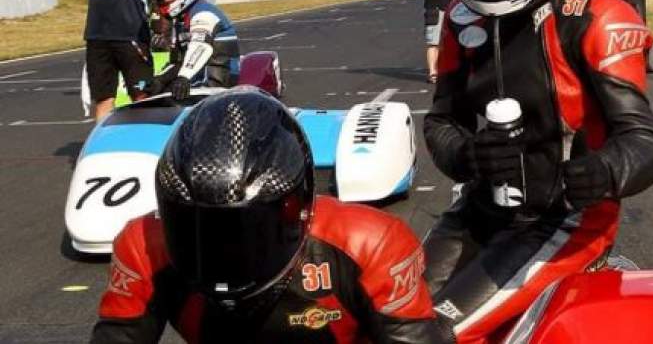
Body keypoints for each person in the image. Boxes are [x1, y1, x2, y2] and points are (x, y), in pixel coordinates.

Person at [423, 0, 653, 342]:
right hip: (479, 208)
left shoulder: (599, 16)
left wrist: (606, 170)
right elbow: (442, 121)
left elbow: (646, 139)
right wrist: (466, 154)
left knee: (429, 334)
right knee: (386, 314)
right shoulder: (458, 17)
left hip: (565, 222)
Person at [90, 88, 447, 343]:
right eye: (198, 228)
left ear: (298, 208)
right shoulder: (141, 244)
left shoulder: (371, 242)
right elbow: (119, 336)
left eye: (243, 231)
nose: (223, 252)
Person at [71, 0, 157, 120]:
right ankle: (104, 145)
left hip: (132, 31)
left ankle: (142, 143)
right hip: (97, 32)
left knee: (141, 97)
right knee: (103, 99)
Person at [144, 0, 240, 100]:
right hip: (198, 81)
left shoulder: (204, 14)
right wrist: (159, 80)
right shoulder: (180, 21)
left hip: (219, 85)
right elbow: (178, 62)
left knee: (172, 104)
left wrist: (184, 77)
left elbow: (200, 47)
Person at [424, 0, 455, 84]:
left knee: (450, 42)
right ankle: (433, 73)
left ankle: (448, 70)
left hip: (451, 10)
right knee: (433, 42)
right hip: (436, 10)